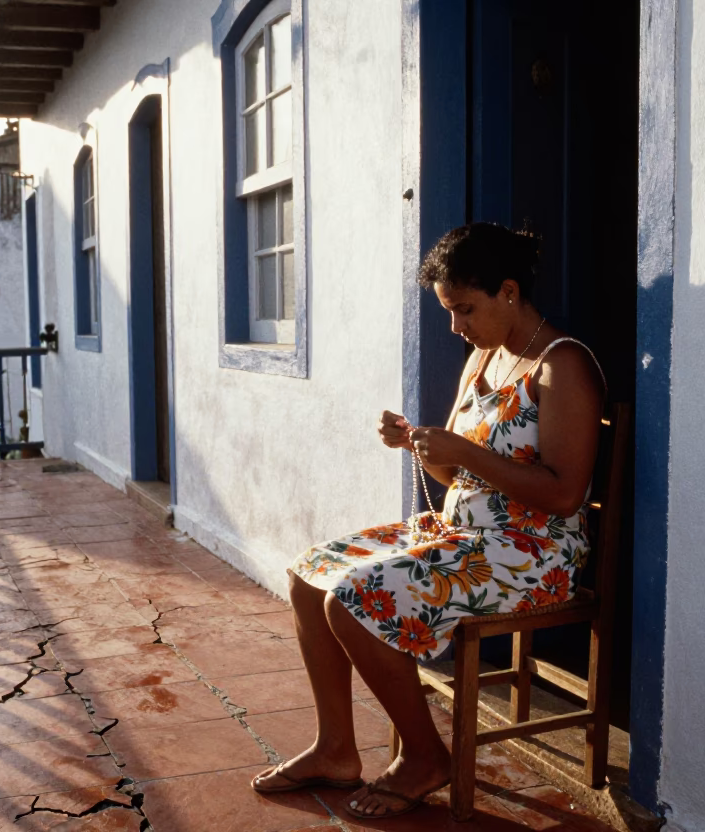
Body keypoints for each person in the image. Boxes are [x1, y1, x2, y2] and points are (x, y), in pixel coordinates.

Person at [249, 222, 606, 819]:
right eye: (448, 311)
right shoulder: (483, 361)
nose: (455, 327)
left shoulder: (560, 366)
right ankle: (336, 749)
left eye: (465, 309)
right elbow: (459, 478)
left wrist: (465, 453)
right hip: (465, 537)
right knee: (309, 576)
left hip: (533, 554)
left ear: (509, 291)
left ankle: (424, 757)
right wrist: (422, 447)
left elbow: (566, 494)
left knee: (351, 599)